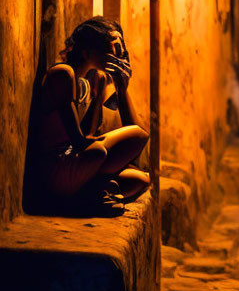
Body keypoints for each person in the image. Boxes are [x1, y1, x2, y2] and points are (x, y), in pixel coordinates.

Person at [28, 16, 150, 216]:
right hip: (57, 168)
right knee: (101, 151)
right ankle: (89, 196)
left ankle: (89, 195)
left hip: (79, 165)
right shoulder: (63, 74)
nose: (118, 56)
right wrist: (103, 147)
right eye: (113, 48)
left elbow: (91, 134)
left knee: (140, 180)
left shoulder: (95, 80)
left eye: (121, 50)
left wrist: (121, 88)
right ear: (87, 51)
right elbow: (79, 140)